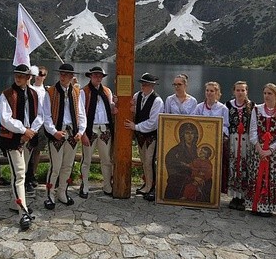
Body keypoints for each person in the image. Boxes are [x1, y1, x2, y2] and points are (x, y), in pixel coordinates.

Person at [0, 64, 43, 230]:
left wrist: (31, 131)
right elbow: (5, 118)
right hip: (12, 139)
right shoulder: (6, 95)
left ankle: (15, 202)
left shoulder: (34, 94)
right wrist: (23, 130)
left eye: (22, 76)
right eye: (17, 75)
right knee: (19, 174)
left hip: (29, 138)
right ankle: (22, 212)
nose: (18, 78)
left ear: (29, 78)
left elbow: (40, 115)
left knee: (22, 172)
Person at [42, 63, 85, 210]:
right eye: (61, 73)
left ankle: (62, 193)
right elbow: (46, 116)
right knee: (55, 166)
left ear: (72, 76)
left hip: (72, 133)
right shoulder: (51, 92)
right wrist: (54, 131)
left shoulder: (78, 92)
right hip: (57, 132)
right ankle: (49, 194)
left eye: (66, 74)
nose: (63, 76)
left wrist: (81, 131)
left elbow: (81, 114)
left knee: (67, 166)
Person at [247, 83, 276, 216]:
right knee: (256, 175)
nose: (266, 96)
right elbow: (253, 130)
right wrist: (259, 148)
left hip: (275, 152)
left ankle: (269, 207)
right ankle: (256, 205)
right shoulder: (256, 110)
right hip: (258, 150)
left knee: (272, 177)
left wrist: (271, 150)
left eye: (269, 93)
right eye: (265, 93)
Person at [125, 73, 164, 202]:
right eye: (142, 83)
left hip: (151, 136)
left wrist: (135, 127)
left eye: (145, 84)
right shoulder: (137, 96)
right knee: (143, 161)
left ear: (152, 86)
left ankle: (152, 187)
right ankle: (147, 184)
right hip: (141, 136)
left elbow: (153, 123)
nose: (143, 86)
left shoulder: (157, 101)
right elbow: (134, 109)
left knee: (149, 161)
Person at [79, 66, 116, 198]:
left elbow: (111, 108)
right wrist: (82, 133)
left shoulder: (107, 91)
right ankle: (84, 185)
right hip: (90, 130)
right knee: (86, 160)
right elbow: (80, 113)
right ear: (90, 76)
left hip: (105, 129)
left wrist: (115, 107)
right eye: (95, 75)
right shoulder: (83, 92)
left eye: (100, 76)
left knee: (106, 160)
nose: (98, 78)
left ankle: (107, 185)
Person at [225, 81, 252, 210]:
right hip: (233, 139)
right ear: (233, 91)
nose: (240, 92)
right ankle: (234, 196)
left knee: (244, 166)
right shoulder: (228, 105)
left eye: (243, 90)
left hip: (246, 140)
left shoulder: (252, 106)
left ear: (246, 91)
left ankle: (243, 197)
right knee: (233, 165)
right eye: (238, 90)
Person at [164, 121, 201, 200]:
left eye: (192, 133)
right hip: (180, 181)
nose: (190, 136)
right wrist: (192, 177)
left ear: (195, 135)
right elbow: (173, 168)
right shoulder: (175, 151)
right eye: (187, 133)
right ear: (182, 135)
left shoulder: (198, 151)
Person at [25, 65, 48, 191]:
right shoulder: (29, 88)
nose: (40, 76)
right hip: (30, 123)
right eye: (38, 74)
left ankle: (33, 174)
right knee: (28, 149)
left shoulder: (47, 91)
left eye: (42, 74)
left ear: (45, 76)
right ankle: (26, 175)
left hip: (41, 124)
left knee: (37, 151)